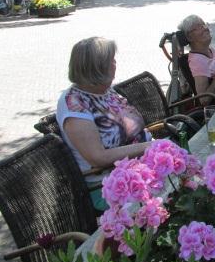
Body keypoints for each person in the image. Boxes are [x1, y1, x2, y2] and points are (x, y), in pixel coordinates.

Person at [56, 37, 151, 210]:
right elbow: (98, 158)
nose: (115, 63)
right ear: (97, 69)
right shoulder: (74, 104)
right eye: (111, 61)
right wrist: (148, 147)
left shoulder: (104, 90)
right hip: (108, 187)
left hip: (137, 170)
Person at [178, 15, 215, 100]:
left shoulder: (211, 50)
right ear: (189, 37)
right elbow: (204, 99)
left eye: (204, 25)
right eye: (199, 27)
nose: (205, 28)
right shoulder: (197, 61)